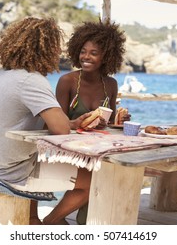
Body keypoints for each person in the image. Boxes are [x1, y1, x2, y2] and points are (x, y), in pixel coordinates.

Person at [0, 17, 91, 225]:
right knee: (90, 179)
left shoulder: (3, 76)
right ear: (46, 49)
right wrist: (66, 124)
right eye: (56, 48)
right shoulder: (31, 80)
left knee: (39, 155)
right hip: (10, 170)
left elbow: (51, 123)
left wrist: (72, 123)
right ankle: (50, 222)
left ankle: (33, 219)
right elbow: (60, 129)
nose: (58, 53)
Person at [54, 20, 130, 224]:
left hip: (97, 148)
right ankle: (57, 220)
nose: (86, 57)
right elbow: (55, 125)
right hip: (70, 150)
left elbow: (109, 122)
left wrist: (119, 120)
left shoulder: (110, 84)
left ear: (106, 56)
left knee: (118, 171)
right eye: (83, 51)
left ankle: (90, 221)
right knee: (99, 173)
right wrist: (75, 123)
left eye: (93, 53)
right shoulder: (67, 82)